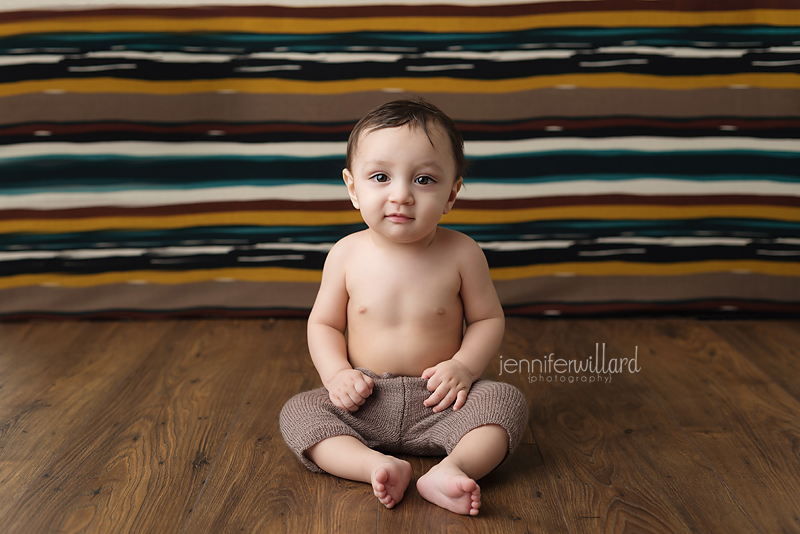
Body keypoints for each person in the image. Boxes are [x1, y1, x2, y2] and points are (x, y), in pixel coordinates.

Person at [280, 98, 528, 516]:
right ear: (353, 188)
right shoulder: (345, 254)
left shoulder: (463, 254)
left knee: (506, 402)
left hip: (442, 401)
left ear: (452, 193)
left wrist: (464, 367)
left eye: (424, 180)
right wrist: (337, 374)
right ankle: (374, 465)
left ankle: (451, 469)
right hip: (364, 400)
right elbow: (323, 323)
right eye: (380, 176)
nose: (402, 195)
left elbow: (487, 319)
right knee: (299, 412)